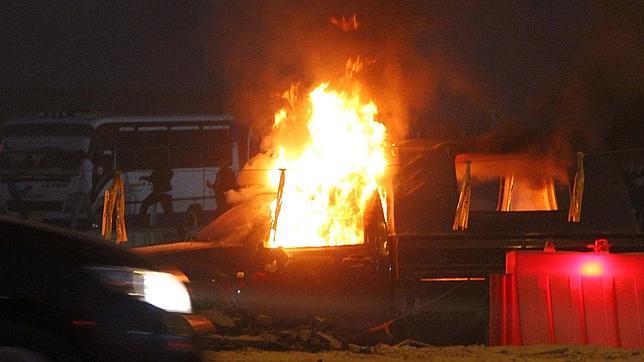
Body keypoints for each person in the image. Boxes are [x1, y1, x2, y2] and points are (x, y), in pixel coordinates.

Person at [138, 157, 185, 238]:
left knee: (169, 214)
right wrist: (144, 177)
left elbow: (166, 176)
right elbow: (152, 179)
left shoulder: (164, 171)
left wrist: (154, 177)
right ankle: (143, 223)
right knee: (145, 204)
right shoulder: (157, 171)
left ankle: (181, 230)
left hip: (164, 194)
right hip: (158, 193)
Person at [69, 150, 94, 228]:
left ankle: (73, 223)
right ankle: (95, 222)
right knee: (88, 208)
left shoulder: (85, 163)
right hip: (85, 189)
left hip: (83, 190)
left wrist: (83, 190)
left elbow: (85, 178)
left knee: (75, 206)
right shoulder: (87, 163)